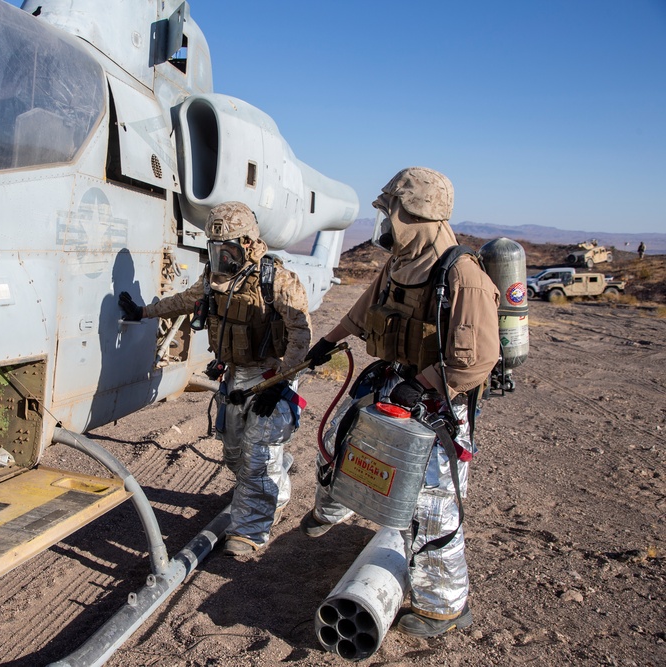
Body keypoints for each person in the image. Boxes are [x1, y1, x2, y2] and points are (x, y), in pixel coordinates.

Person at [301, 167, 500, 637]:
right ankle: (332, 509)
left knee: (430, 509)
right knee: (338, 444)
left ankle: (443, 607)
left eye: (391, 214)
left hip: (435, 407)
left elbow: (477, 360)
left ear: (415, 215)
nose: (385, 225)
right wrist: (328, 342)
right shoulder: (398, 265)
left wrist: (430, 383)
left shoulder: (461, 275)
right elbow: (363, 310)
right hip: (394, 384)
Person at [118, 202, 312, 557]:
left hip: (271, 375)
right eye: (216, 248)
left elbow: (301, 332)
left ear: (249, 244)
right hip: (236, 376)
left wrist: (284, 382)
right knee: (235, 454)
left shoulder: (277, 280)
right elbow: (184, 301)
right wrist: (144, 312)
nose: (222, 256)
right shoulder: (213, 279)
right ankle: (277, 487)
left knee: (257, 456)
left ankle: (250, 531)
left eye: (229, 249)